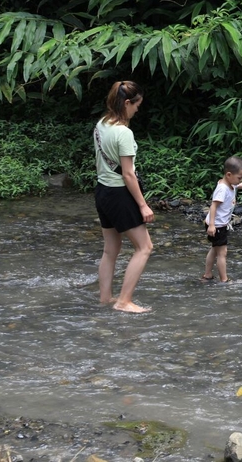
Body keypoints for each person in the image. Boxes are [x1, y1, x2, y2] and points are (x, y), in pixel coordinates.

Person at [93, 80, 153, 313]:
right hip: (119, 193)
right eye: (137, 105)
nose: (137, 109)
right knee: (145, 247)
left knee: (110, 250)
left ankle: (106, 298)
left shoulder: (101, 124)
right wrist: (143, 205)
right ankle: (124, 301)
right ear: (127, 103)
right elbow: (128, 174)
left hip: (102, 192)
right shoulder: (123, 133)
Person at [200, 156, 242, 283]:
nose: (240, 181)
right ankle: (224, 280)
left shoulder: (231, 184)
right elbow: (213, 206)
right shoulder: (223, 188)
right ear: (229, 174)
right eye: (239, 178)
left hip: (218, 224)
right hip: (217, 225)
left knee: (215, 250)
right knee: (222, 253)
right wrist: (212, 226)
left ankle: (207, 274)